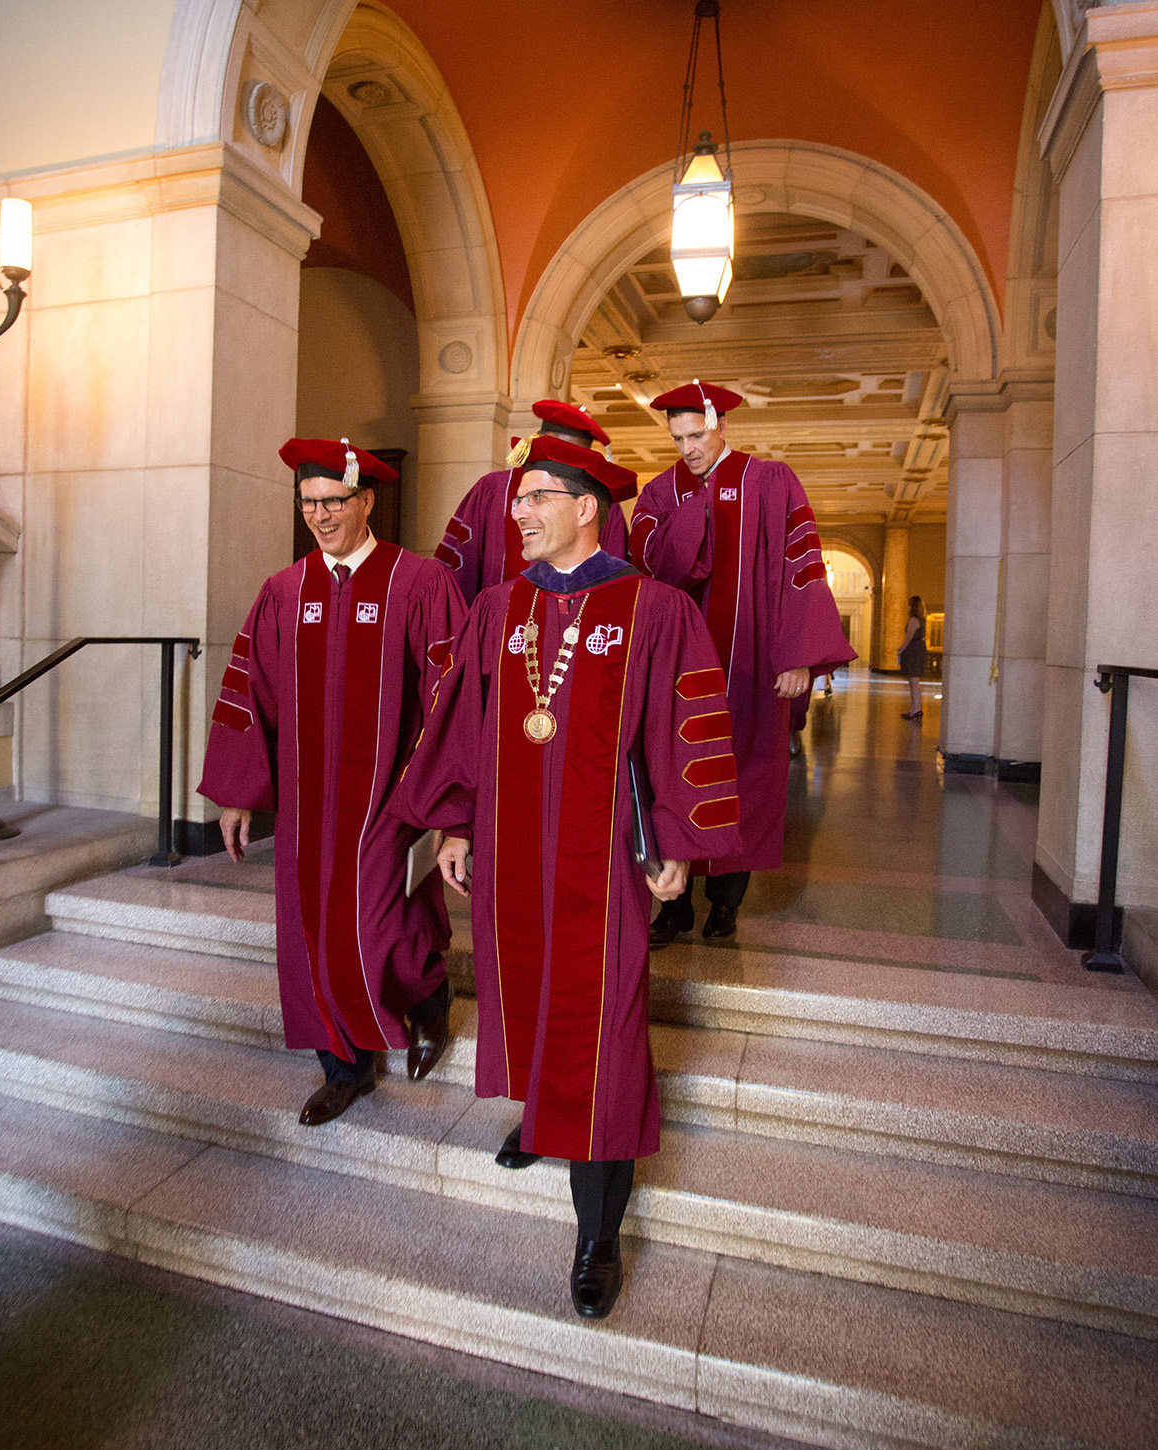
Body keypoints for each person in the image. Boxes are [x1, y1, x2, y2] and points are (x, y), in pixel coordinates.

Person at [394, 436, 742, 1320]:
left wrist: (678, 839)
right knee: (533, 998)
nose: (517, 514)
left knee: (607, 1029)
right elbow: (461, 722)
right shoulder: (499, 606)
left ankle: (597, 1235)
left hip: (607, 856)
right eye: (517, 500)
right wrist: (451, 822)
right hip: (511, 856)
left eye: (536, 497)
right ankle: (548, 1118)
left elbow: (686, 727)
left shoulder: (654, 608)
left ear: (586, 505)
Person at [199, 437, 468, 1126]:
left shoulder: (419, 583)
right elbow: (247, 692)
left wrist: (443, 799)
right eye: (308, 503)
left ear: (367, 501)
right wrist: (236, 793)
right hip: (306, 807)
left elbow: (451, 694)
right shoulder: (284, 593)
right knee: (311, 932)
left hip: (389, 796)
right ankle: (342, 1067)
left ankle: (426, 991)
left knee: (386, 924)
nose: (319, 516)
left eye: (333, 502)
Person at [629, 381, 856, 945]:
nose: (689, 448)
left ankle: (726, 904)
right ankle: (674, 905)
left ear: (721, 425)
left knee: (746, 777)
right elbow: (648, 566)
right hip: (676, 667)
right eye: (678, 438)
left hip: (754, 664)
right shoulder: (661, 493)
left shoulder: (771, 482)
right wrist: (694, 512)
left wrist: (799, 655)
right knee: (674, 775)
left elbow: (802, 565)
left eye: (698, 435)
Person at [434, 400, 629, 603]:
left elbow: (612, 574)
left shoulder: (600, 501)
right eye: (557, 450)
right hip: (501, 617)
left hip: (574, 621)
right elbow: (462, 563)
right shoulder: (491, 489)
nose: (561, 464)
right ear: (536, 440)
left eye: (574, 457)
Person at [898, 595, 927, 719]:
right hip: (919, 649)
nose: (907, 606)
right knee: (914, 681)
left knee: (913, 682)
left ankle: (916, 708)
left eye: (909, 604)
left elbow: (908, 638)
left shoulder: (913, 620)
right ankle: (914, 707)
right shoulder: (921, 619)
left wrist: (900, 650)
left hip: (913, 651)